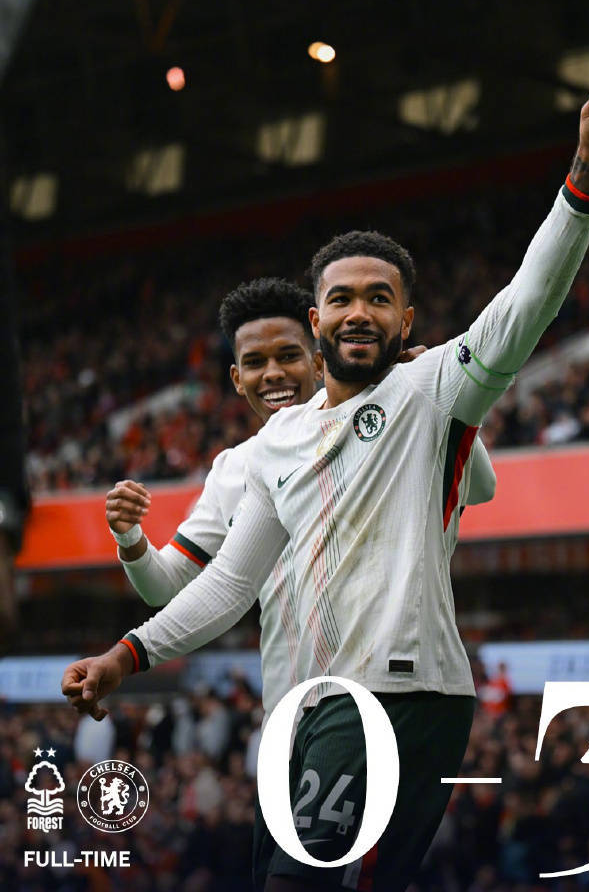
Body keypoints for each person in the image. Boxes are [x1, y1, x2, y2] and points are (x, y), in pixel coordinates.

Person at [63, 45, 589, 892]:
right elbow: (230, 585)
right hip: (303, 711)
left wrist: (586, 174)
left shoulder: (433, 389)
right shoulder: (274, 447)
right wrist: (126, 655)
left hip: (394, 699)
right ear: (316, 320)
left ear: (407, 319)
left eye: (379, 298)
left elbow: (529, 298)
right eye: (342, 298)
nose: (359, 312)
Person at [94, 274, 497, 889]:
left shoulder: (391, 415)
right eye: (255, 363)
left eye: (287, 356)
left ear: (318, 354)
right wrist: (131, 542)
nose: (273, 374)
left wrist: (430, 399)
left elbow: (482, 485)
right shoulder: (239, 468)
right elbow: (171, 585)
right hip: (287, 723)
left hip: (369, 697)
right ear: (236, 379)